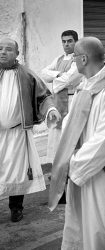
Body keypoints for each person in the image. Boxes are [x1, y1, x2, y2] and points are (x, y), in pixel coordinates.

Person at [48, 36, 105, 250]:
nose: (72, 63)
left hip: (101, 175)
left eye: (74, 59)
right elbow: (71, 131)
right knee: (78, 230)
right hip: (80, 172)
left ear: (83, 59)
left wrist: (72, 165)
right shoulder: (83, 87)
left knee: (101, 234)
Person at [0, 38, 61, 222]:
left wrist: (50, 109)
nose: (3, 52)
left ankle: (16, 208)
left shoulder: (27, 75)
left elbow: (43, 97)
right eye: (0, 49)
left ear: (17, 54)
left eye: (8, 49)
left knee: (18, 171)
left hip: (18, 134)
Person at [41, 30, 81, 164]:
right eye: (64, 41)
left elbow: (69, 79)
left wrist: (56, 79)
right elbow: (44, 74)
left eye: (70, 41)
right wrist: (58, 74)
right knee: (55, 135)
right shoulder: (58, 59)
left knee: (68, 134)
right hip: (57, 101)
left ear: (76, 41)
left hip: (71, 101)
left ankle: (69, 166)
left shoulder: (78, 59)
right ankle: (56, 167)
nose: (66, 44)